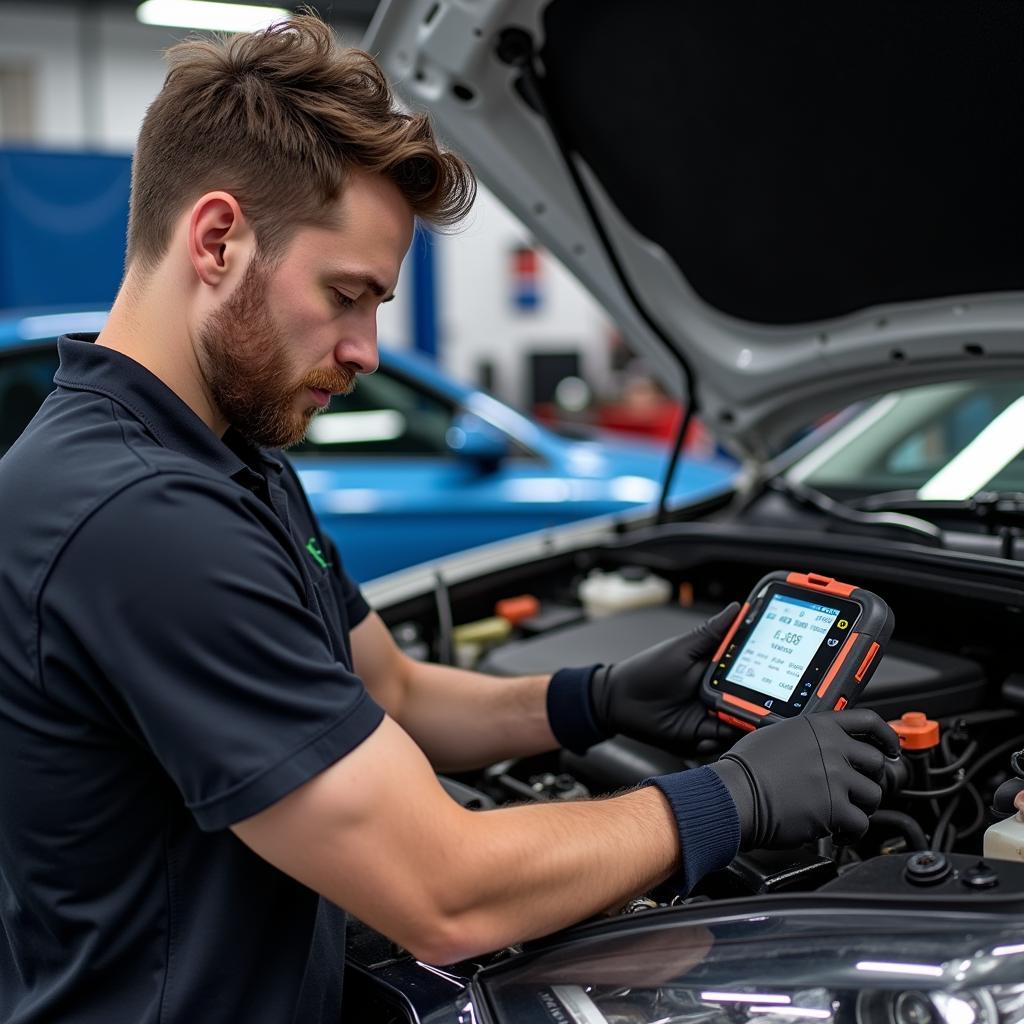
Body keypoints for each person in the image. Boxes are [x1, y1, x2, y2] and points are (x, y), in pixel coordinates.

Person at [0, 15, 899, 1023]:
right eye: (347, 294)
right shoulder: (140, 516)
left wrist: (596, 699)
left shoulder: (224, 457)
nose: (367, 348)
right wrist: (735, 797)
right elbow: (444, 891)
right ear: (217, 239)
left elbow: (387, 688)